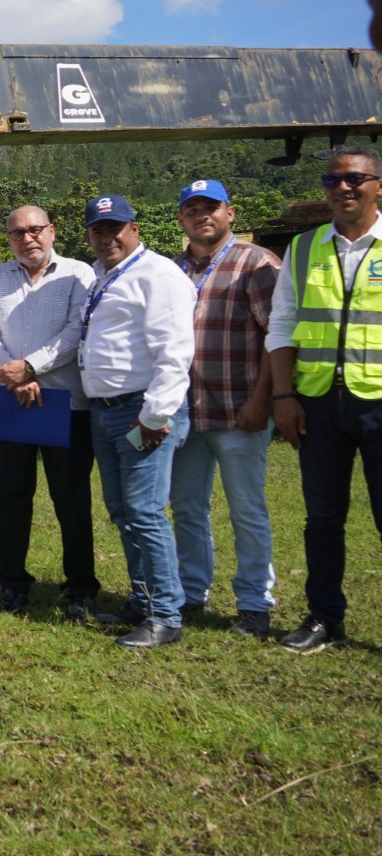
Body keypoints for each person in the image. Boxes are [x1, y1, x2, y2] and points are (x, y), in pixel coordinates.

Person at [268, 146, 382, 653]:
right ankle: (323, 617)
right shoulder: (305, 246)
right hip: (316, 401)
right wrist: (283, 395)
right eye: (333, 180)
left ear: (378, 185)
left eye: (356, 178)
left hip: (378, 401)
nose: (344, 187)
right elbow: (283, 325)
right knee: (322, 518)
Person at [79, 195, 196, 649]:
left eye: (115, 228)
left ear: (135, 228)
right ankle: (142, 601)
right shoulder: (103, 276)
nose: (107, 237)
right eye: (98, 230)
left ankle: (166, 615)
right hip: (105, 410)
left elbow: (175, 352)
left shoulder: (159, 274)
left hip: (141, 411)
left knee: (146, 513)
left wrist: (155, 414)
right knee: (124, 512)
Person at [0, 206, 100, 617]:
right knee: (12, 496)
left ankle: (80, 586)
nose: (27, 239)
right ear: (8, 238)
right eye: (17, 233)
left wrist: (32, 366)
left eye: (35, 230)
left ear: (52, 231)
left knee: (71, 499)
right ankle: (13, 583)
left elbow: (77, 329)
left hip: (65, 403)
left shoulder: (78, 273)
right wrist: (13, 373)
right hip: (9, 401)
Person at [169, 179, 280, 637]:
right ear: (181, 218)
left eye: (210, 208)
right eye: (192, 209)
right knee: (187, 507)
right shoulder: (172, 270)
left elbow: (279, 338)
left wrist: (263, 401)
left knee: (247, 509)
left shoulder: (256, 264)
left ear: (230, 212)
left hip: (240, 411)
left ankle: (255, 602)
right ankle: (193, 592)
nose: (202, 216)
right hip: (186, 414)